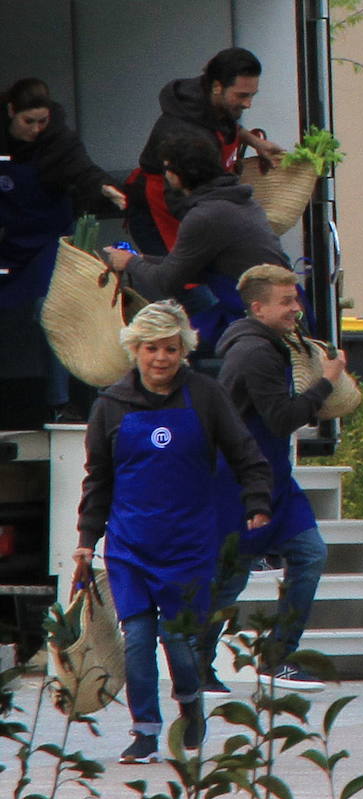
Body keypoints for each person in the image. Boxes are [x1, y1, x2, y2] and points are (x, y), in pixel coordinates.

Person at [74, 301, 272, 763]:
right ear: (134, 351)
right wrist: (87, 539)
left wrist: (257, 503)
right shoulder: (110, 405)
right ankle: (144, 730)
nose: (160, 358)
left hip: (188, 545)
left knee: (178, 639)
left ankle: (190, 710)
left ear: (184, 350)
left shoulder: (206, 396)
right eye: (150, 348)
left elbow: (247, 455)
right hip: (129, 544)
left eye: (169, 348)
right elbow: (98, 478)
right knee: (139, 637)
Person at [202, 264, 345, 694]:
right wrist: (327, 384)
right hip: (242, 484)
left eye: (296, 299)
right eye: (286, 301)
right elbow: (282, 419)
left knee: (309, 555)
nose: (296, 309)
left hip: (274, 479)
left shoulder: (269, 344)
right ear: (258, 306)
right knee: (231, 577)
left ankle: (278, 657)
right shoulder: (256, 353)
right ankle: (195, 661)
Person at [0, 78, 125, 422]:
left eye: (42, 121)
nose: (37, 129)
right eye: (29, 122)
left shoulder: (58, 140)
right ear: (11, 111)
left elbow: (84, 170)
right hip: (10, 243)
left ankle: (59, 403)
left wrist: (108, 189)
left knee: (50, 310)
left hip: (51, 241)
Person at [105, 135, 290, 357]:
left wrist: (129, 262)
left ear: (176, 175)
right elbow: (189, 268)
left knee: (166, 347)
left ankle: (190, 391)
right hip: (269, 307)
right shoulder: (239, 202)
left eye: (167, 169)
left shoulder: (205, 215)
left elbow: (168, 280)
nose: (165, 175)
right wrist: (143, 258)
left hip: (255, 317)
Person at [126, 48, 283, 255]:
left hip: (198, 206)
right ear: (217, 87)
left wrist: (256, 142)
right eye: (242, 96)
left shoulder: (210, 99)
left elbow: (222, 127)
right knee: (186, 284)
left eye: (252, 95)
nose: (248, 104)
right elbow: (181, 198)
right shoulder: (183, 131)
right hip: (164, 209)